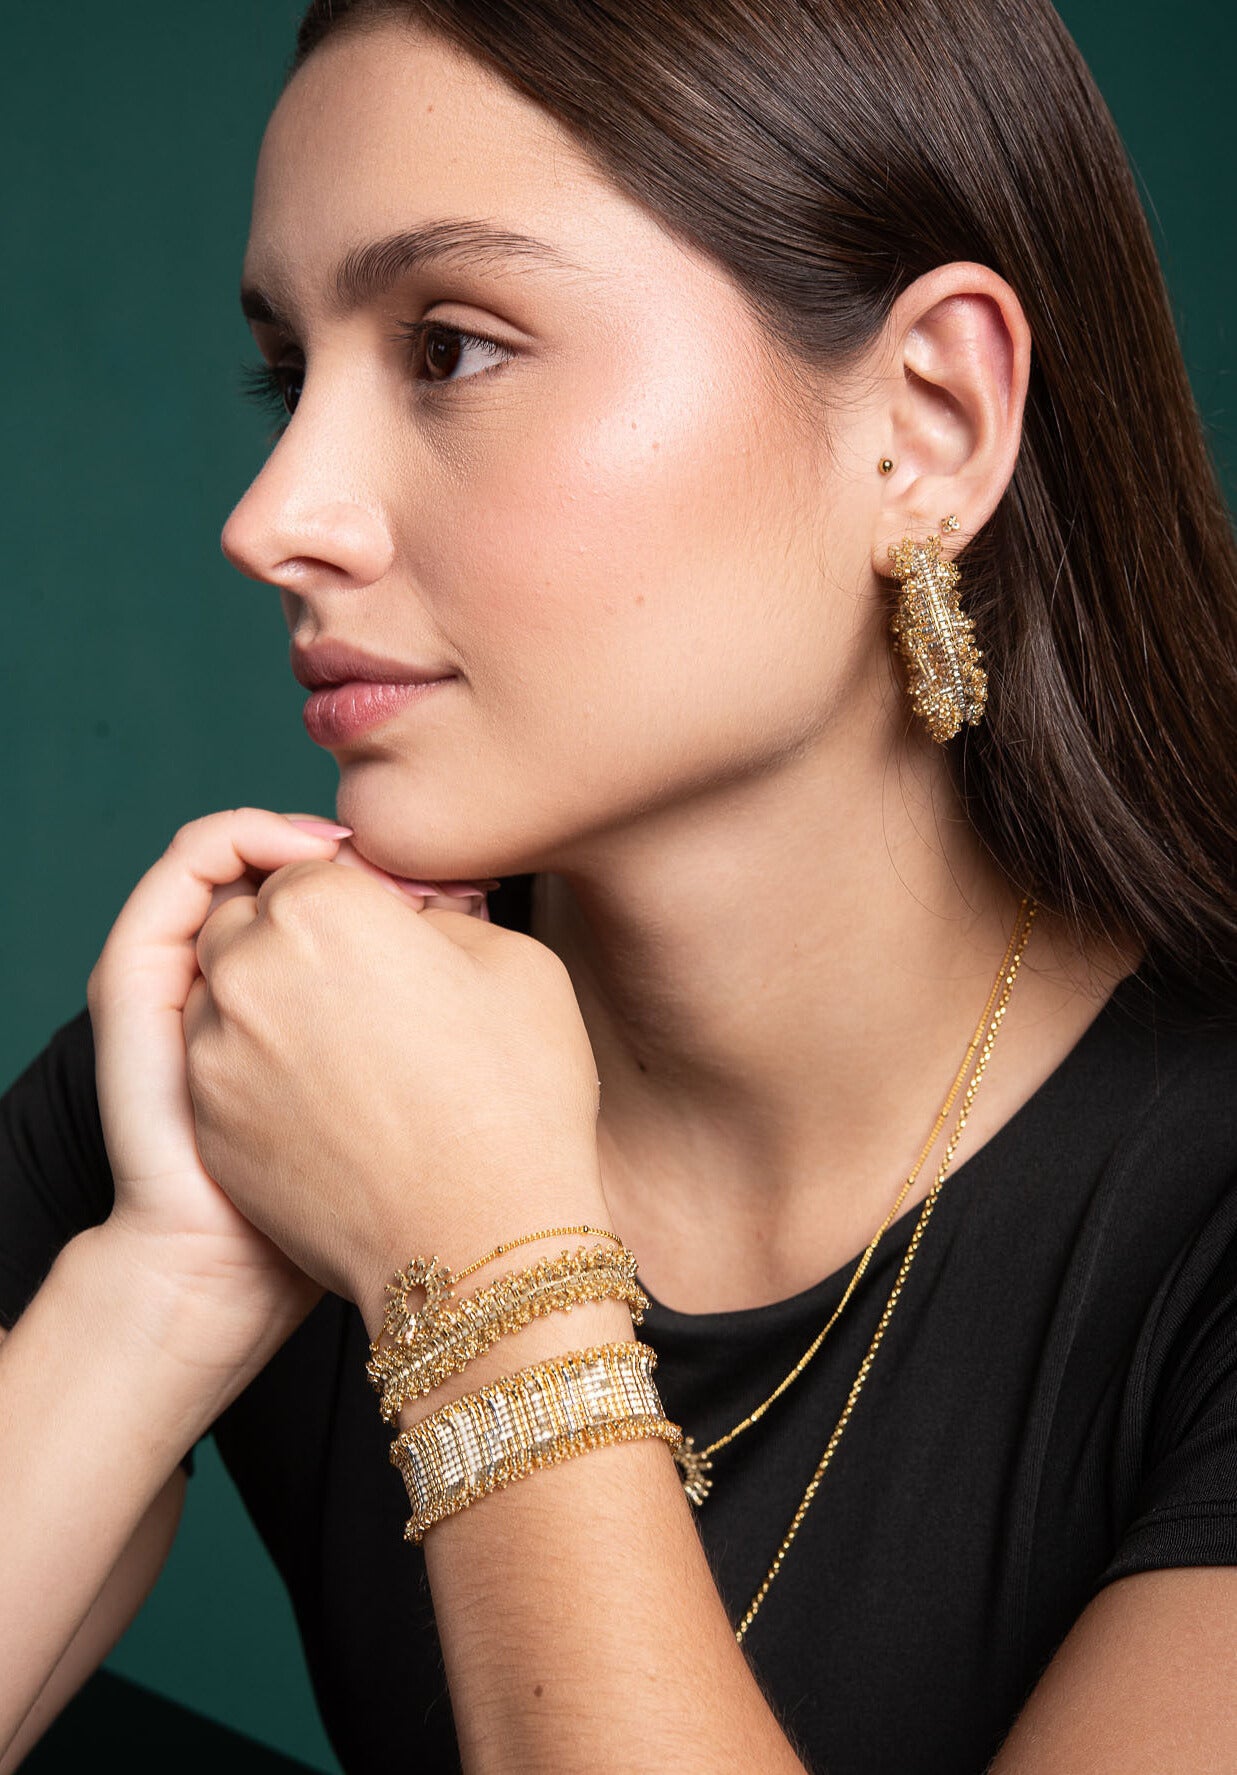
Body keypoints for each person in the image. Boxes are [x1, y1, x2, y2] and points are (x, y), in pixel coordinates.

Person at [2, 1, 1236, 1770]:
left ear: (926, 421)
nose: (273, 516)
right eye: (288, 373)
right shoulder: (284, 1057)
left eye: (450, 350)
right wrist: (167, 1283)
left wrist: (470, 1270)